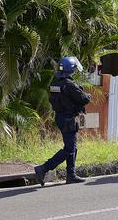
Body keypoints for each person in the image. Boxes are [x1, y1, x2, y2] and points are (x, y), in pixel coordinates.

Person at [34, 57, 92, 185]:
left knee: (72, 147)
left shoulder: (55, 83)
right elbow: (84, 99)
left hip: (61, 117)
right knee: (69, 150)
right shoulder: (69, 85)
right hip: (68, 119)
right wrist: (87, 95)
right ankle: (43, 169)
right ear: (70, 69)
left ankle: (71, 175)